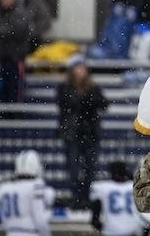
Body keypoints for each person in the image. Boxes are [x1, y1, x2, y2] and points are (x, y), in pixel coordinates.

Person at [0, 0, 51, 104]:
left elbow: (19, 30)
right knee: (3, 88)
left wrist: (0, 31)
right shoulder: (1, 11)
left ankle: (14, 114)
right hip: (3, 57)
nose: (2, 0)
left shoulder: (19, 12)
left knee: (14, 88)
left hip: (15, 58)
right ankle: (4, 113)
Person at [57, 54, 109, 208]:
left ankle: (85, 197)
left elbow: (103, 104)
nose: (81, 71)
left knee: (90, 169)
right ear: (72, 71)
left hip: (90, 133)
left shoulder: (93, 87)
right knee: (73, 168)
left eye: (83, 67)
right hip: (73, 133)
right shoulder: (64, 88)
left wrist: (88, 98)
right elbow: (66, 105)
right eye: (78, 68)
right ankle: (76, 197)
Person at [0, 150, 56, 236]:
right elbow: (40, 219)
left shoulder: (5, 188)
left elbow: (3, 221)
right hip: (30, 233)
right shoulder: (35, 186)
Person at [91, 161, 149, 236]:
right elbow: (146, 215)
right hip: (133, 231)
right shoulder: (135, 187)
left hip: (111, 232)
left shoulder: (102, 187)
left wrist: (104, 228)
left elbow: (95, 219)